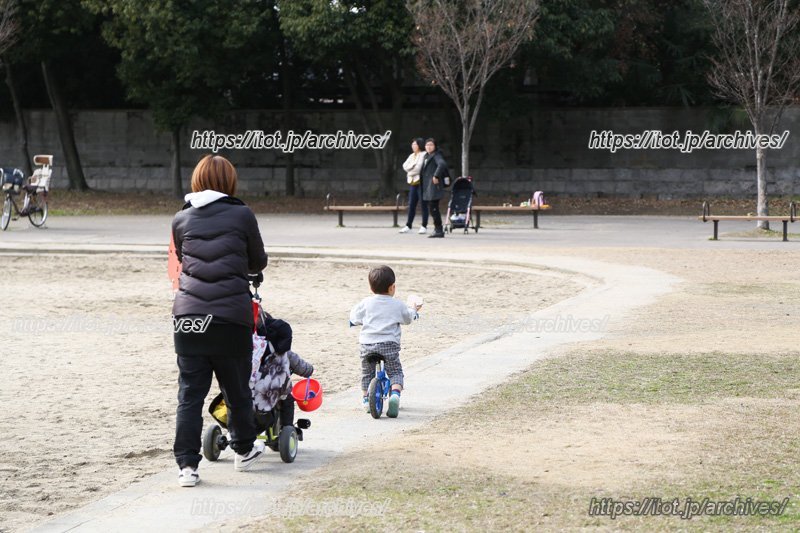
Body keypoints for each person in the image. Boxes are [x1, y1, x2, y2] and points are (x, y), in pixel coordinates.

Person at [171, 154, 269, 487]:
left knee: (189, 394)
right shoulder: (242, 214)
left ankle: (187, 466)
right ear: (230, 182)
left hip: (188, 318)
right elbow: (258, 259)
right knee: (237, 390)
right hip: (230, 317)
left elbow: (185, 259)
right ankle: (243, 451)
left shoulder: (181, 218)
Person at [349, 265, 421, 418]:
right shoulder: (397, 304)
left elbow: (354, 317)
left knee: (366, 373)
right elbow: (408, 318)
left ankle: (366, 399)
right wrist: (414, 309)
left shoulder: (366, 303)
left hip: (367, 345)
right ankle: (395, 395)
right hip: (389, 344)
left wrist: (356, 321)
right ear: (391, 288)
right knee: (395, 371)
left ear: (370, 287)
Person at [420, 138, 449, 238]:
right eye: (427, 145)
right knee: (433, 209)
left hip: (433, 187)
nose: (428, 146)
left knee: (433, 208)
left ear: (435, 146)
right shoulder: (427, 156)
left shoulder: (436, 155)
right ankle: (438, 229)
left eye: (431, 145)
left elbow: (442, 164)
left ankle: (439, 230)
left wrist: (436, 175)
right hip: (428, 187)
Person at [398, 137, 428, 234]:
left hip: (421, 183)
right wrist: (411, 169)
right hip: (413, 183)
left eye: (415, 144)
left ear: (419, 145)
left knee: (423, 205)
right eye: (412, 144)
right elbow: (404, 166)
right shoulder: (411, 155)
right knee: (411, 205)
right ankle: (408, 225)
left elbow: (418, 168)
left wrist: (410, 171)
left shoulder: (424, 155)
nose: (413, 146)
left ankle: (424, 226)